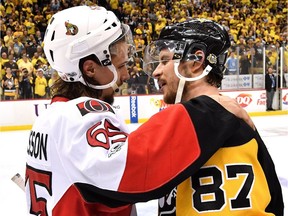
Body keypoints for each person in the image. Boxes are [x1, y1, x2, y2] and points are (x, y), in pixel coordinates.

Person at [24, 6, 270, 216]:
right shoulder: (79, 115)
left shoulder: (49, 118)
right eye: (119, 63)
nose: (127, 74)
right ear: (90, 68)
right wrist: (210, 109)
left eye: (164, 61)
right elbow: (132, 166)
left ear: (196, 62)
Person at [143, 19, 283, 215]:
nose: (156, 72)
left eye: (165, 61)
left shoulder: (225, 129)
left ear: (196, 61)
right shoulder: (224, 122)